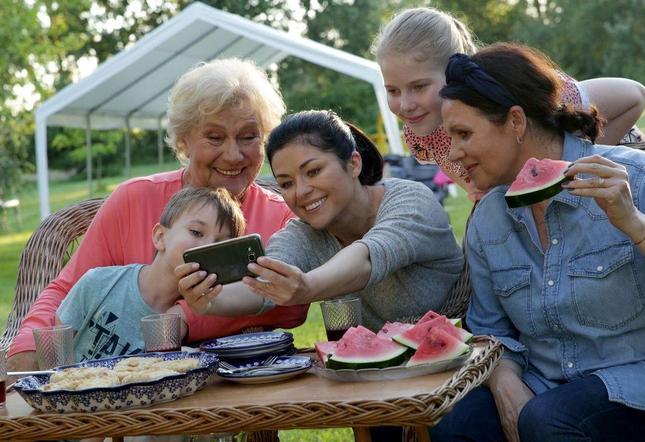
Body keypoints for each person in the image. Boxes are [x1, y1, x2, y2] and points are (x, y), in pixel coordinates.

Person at [8, 58, 309, 371]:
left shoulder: (280, 218)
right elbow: (67, 290)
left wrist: (184, 318)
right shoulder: (133, 199)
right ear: (184, 140)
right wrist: (27, 349)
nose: (233, 155)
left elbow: (292, 306)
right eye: (215, 137)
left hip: (230, 385)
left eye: (248, 137)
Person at [432, 42, 645, 442]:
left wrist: (635, 223)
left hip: (643, 385)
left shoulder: (636, 178)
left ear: (516, 121)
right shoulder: (487, 219)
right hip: (544, 388)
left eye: (464, 134)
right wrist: (505, 383)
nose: (454, 153)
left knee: (548, 419)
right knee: (456, 421)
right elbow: (491, 331)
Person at [177, 110, 465, 332]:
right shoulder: (304, 234)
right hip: (380, 380)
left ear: (353, 164)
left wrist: (308, 287)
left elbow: (368, 256)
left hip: (467, 356)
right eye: (287, 183)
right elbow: (263, 285)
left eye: (313, 172)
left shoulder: (411, 201)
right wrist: (211, 301)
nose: (301, 192)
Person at [373, 7, 645, 201]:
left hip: (628, 171)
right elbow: (478, 189)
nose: (405, 105)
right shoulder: (421, 135)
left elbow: (633, 95)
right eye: (393, 90)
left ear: (455, 70)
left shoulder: (515, 94)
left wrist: (576, 163)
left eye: (419, 87)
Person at [56, 187, 267, 362]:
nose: (207, 246)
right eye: (196, 232)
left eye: (220, 243)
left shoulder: (201, 313)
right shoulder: (98, 283)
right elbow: (57, 356)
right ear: (160, 237)